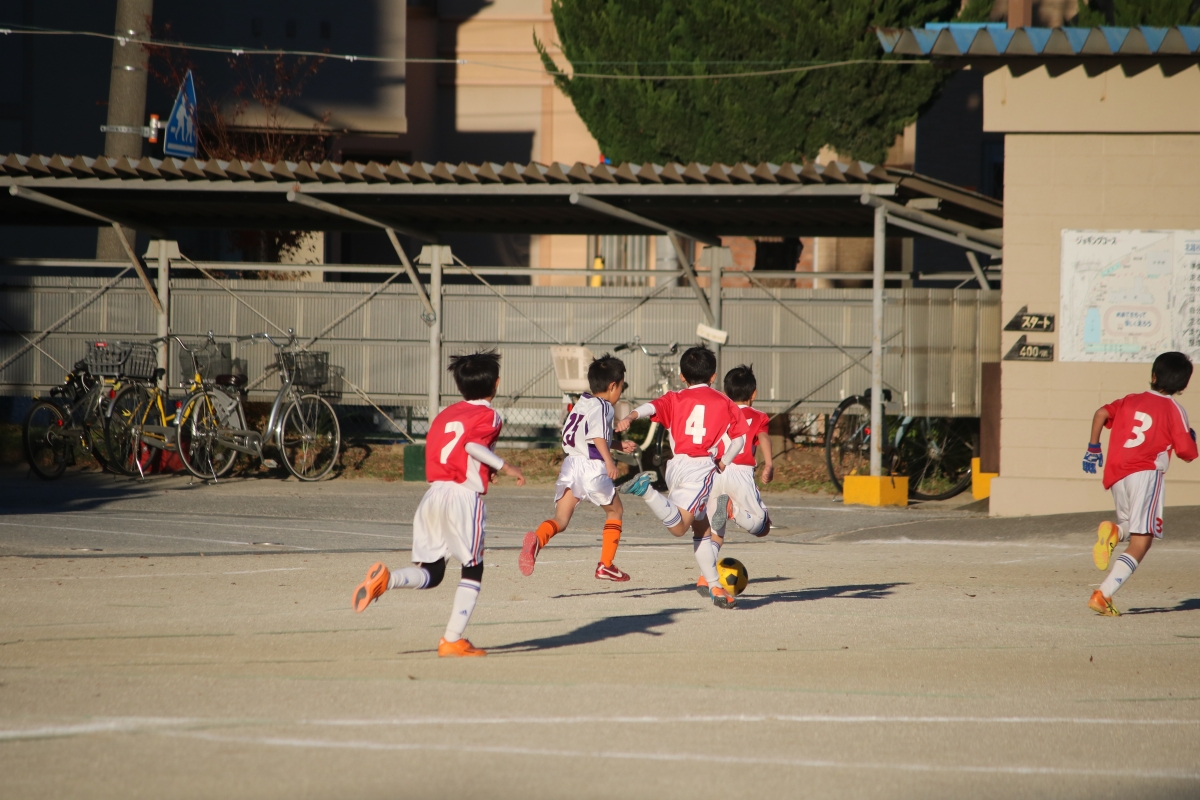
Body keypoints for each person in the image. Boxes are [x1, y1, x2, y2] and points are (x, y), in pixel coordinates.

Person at [351, 351, 525, 656]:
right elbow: (472, 446)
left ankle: (387, 580)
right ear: (496, 384)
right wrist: (505, 466)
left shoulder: (446, 415)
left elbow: (453, 450)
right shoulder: (490, 415)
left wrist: (485, 469)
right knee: (473, 568)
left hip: (433, 496)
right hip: (462, 499)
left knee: (433, 573)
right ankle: (452, 639)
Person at [615, 345, 750, 609]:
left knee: (702, 528)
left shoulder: (675, 397)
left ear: (681, 376)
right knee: (679, 528)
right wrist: (724, 462)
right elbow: (739, 439)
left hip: (675, 466)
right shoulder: (724, 402)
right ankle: (646, 490)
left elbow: (650, 407)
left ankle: (714, 587)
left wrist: (630, 416)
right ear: (713, 376)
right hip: (700, 468)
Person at [1083, 351, 1196, 616]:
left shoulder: (1130, 400)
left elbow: (1101, 413)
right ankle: (1103, 594)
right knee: (1142, 541)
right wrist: (1191, 437)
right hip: (1146, 473)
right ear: (1183, 385)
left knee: (1131, 527)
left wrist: (1093, 448)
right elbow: (1187, 452)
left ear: (1154, 375)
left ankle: (1114, 532)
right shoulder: (1174, 410)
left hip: (1117, 474)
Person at [520, 355, 638, 581]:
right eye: (621, 388)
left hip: (571, 464)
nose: (620, 393)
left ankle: (537, 540)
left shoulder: (583, 403)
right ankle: (606, 565)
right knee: (615, 511)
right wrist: (610, 460)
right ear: (612, 386)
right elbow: (596, 436)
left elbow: (584, 436)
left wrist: (617, 445)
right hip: (592, 467)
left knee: (561, 519)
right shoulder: (605, 407)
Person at [698, 365, 774, 595]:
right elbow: (763, 437)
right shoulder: (758, 416)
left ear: (725, 393)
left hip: (715, 472)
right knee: (763, 527)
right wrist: (769, 464)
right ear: (754, 394)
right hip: (740, 472)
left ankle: (704, 577)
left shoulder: (717, 413)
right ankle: (734, 511)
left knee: (716, 533)